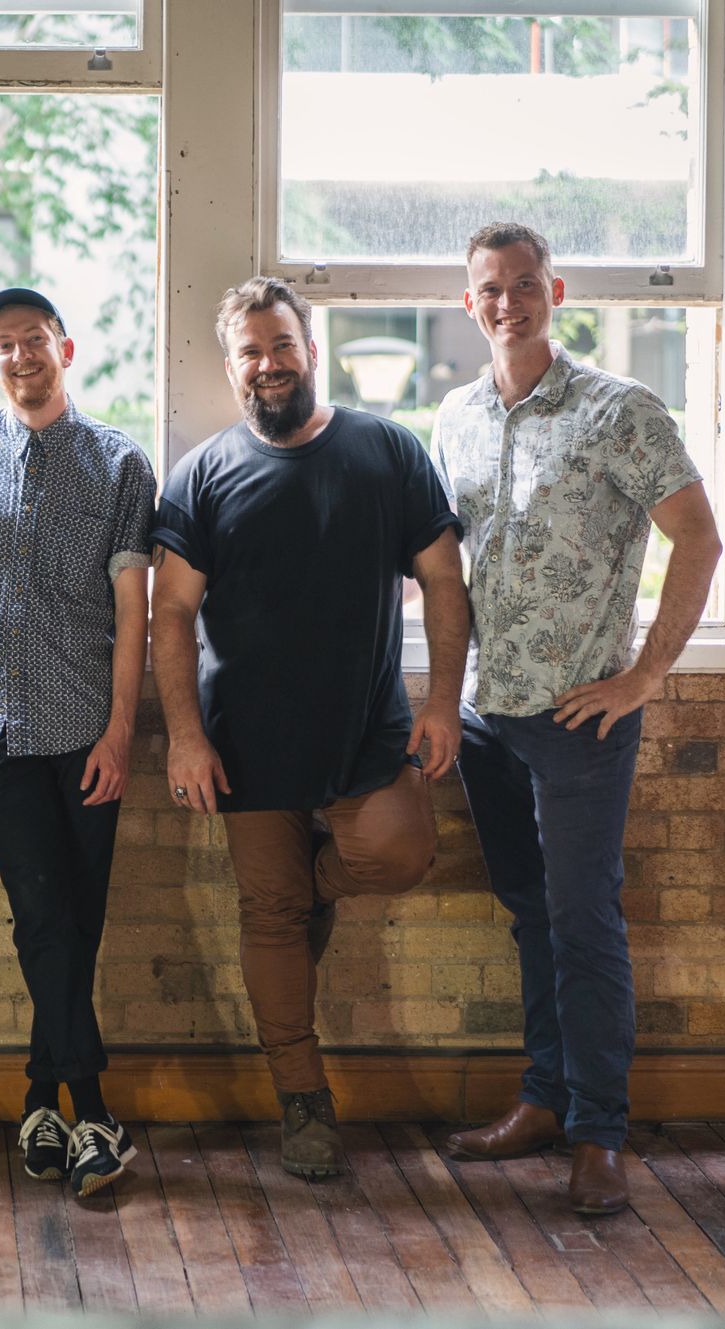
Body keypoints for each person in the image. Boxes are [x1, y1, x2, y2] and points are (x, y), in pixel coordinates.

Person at [150, 276, 469, 1180]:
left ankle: (311, 890)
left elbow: (445, 581)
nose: (268, 363)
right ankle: (304, 1102)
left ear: (311, 349)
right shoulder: (203, 472)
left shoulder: (386, 450)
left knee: (396, 856)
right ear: (232, 366)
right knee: (269, 914)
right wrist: (183, 734)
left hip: (369, 730)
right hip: (242, 746)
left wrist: (442, 701)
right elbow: (170, 612)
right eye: (250, 351)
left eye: (281, 345)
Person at [435, 223, 722, 1216]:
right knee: (526, 915)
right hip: (487, 719)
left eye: (523, 285)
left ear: (551, 291)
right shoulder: (454, 417)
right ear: (467, 303)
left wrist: (644, 676)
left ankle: (600, 1131)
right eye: (488, 289)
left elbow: (696, 536)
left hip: (580, 722)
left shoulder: (618, 410)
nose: (506, 302)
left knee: (583, 923)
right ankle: (542, 1099)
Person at [0, 288, 154, 1195]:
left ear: (63, 347)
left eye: (34, 340)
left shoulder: (119, 463)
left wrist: (120, 733)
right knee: (44, 916)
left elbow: (134, 614)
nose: (21, 355)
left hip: (82, 731)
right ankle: (96, 1113)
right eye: (3, 345)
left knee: (73, 923)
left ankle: (39, 1099)